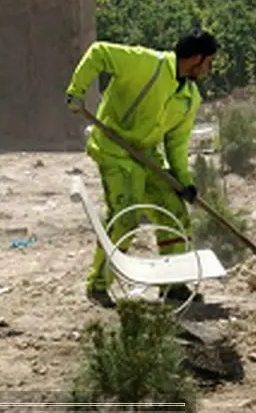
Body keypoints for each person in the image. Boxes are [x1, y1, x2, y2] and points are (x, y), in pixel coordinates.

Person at [65, 29, 218, 308]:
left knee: (175, 212)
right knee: (126, 217)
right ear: (196, 58)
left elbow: (176, 143)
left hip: (146, 155)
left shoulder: (189, 97)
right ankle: (98, 284)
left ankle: (173, 284)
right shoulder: (148, 64)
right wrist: (77, 91)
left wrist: (184, 182)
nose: (210, 68)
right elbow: (99, 52)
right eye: (209, 61)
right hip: (114, 148)